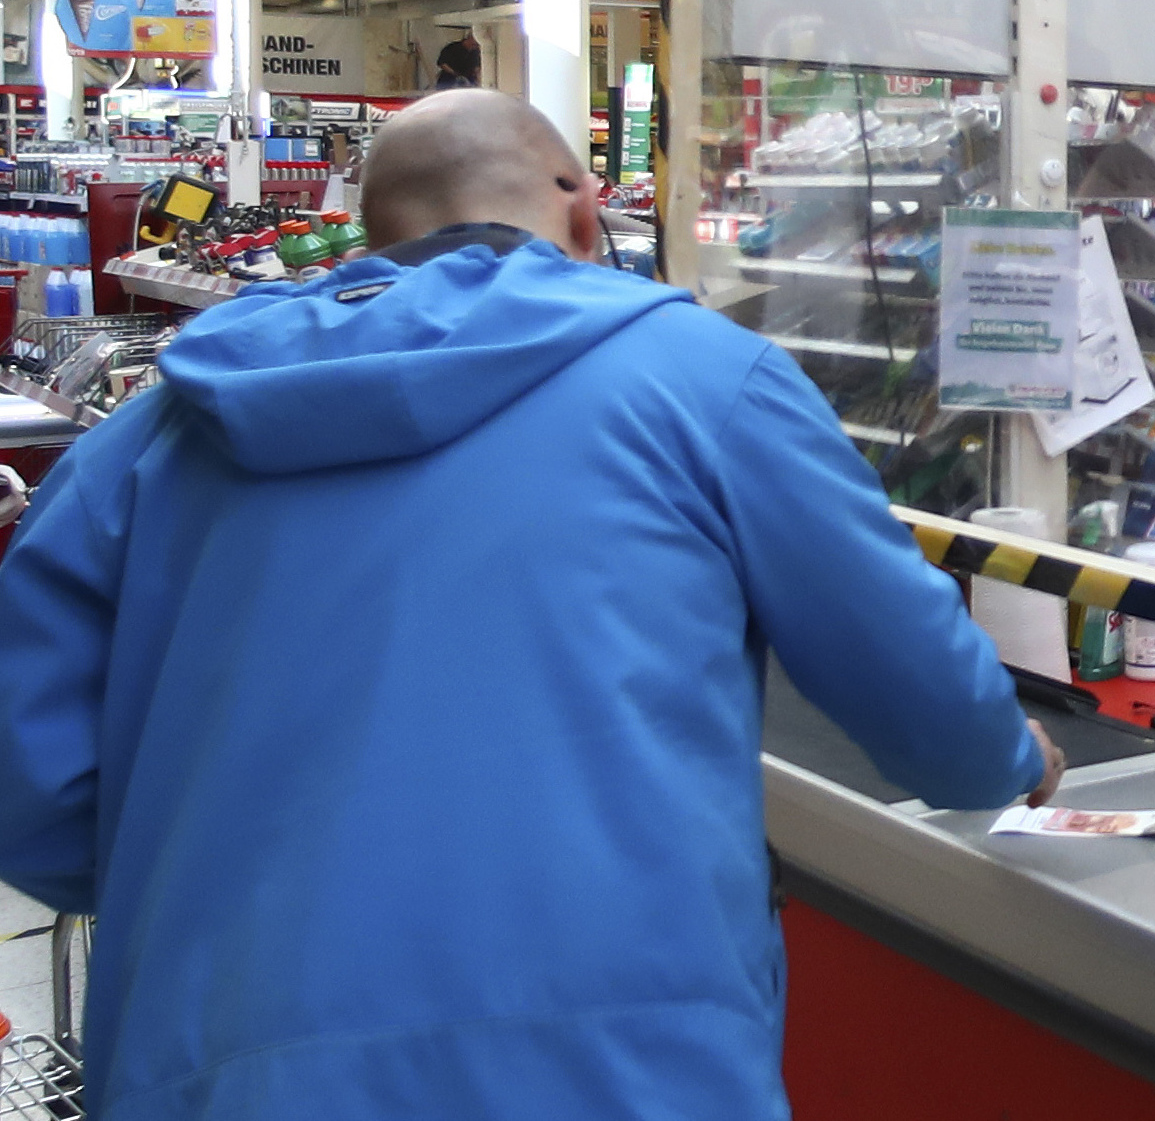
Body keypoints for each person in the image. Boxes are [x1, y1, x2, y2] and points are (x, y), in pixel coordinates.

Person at [0, 89, 1059, 1120]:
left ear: (375, 229)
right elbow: (914, 687)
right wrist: (1011, 757)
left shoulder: (143, 443)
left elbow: (28, 795)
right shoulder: (702, 380)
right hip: (617, 1067)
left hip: (217, 1065)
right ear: (581, 201)